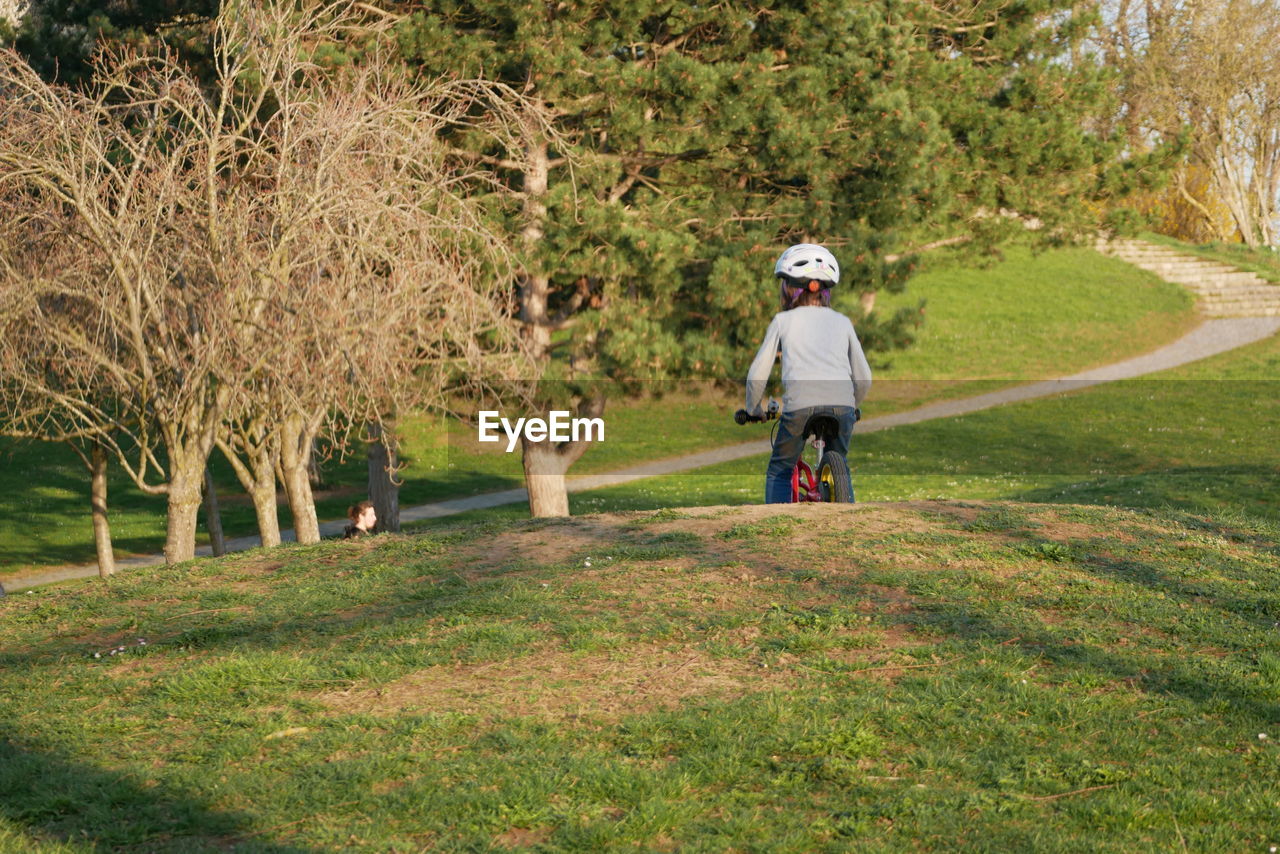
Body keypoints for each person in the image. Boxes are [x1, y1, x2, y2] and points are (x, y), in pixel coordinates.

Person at [744, 243, 872, 503]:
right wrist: (852, 406)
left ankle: (776, 523)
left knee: (780, 469)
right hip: (842, 406)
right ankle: (849, 516)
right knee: (841, 466)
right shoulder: (843, 322)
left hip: (800, 406)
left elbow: (758, 374)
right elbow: (864, 378)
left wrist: (752, 408)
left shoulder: (783, 321)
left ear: (789, 289)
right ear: (824, 291)